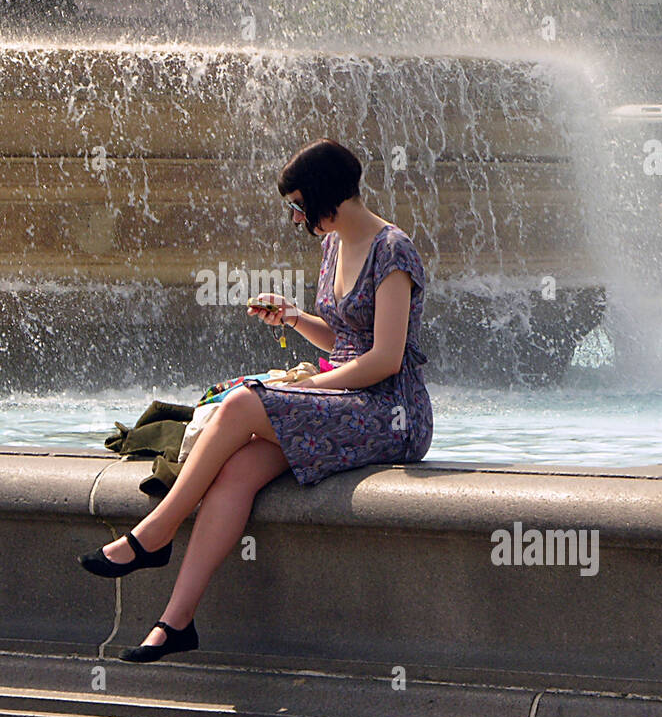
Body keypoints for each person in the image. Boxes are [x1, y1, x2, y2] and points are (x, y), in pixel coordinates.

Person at [77, 138, 434, 662]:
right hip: (345, 402)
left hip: (388, 413)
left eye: (296, 205)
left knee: (244, 401)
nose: (294, 217)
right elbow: (344, 341)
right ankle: (175, 623)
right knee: (238, 470)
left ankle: (156, 531)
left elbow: (385, 358)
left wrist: (307, 388)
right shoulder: (333, 244)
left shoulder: (393, 251)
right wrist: (293, 318)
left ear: (321, 196)